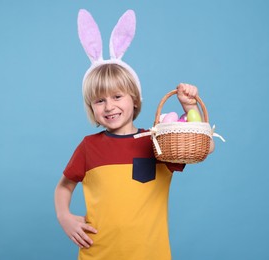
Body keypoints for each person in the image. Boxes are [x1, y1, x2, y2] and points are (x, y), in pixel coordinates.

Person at [54, 9, 214, 260]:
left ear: (135, 99)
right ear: (91, 107)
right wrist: (64, 217)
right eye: (99, 101)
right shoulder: (88, 147)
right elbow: (64, 186)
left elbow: (204, 144)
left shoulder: (158, 141)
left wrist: (190, 107)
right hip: (97, 255)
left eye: (117, 96)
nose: (109, 107)